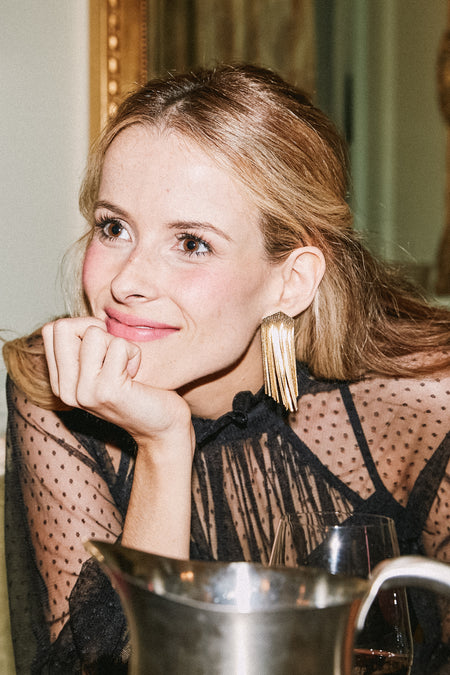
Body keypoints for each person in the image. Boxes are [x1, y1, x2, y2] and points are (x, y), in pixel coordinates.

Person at [3, 63, 450, 674]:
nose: (127, 281)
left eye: (192, 243)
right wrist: (163, 445)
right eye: (114, 228)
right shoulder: (57, 390)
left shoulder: (421, 404)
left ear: (291, 281)